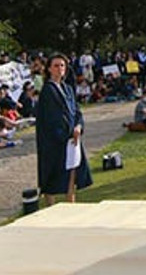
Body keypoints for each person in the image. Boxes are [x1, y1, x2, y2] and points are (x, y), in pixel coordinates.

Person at [35, 54, 92, 207]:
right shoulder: (48, 90)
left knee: (72, 171)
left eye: (62, 65)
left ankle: (71, 204)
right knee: (53, 173)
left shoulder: (67, 88)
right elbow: (52, 118)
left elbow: (76, 111)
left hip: (72, 137)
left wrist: (79, 126)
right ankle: (50, 207)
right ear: (49, 69)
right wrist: (67, 132)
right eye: (56, 66)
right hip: (55, 139)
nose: (59, 69)